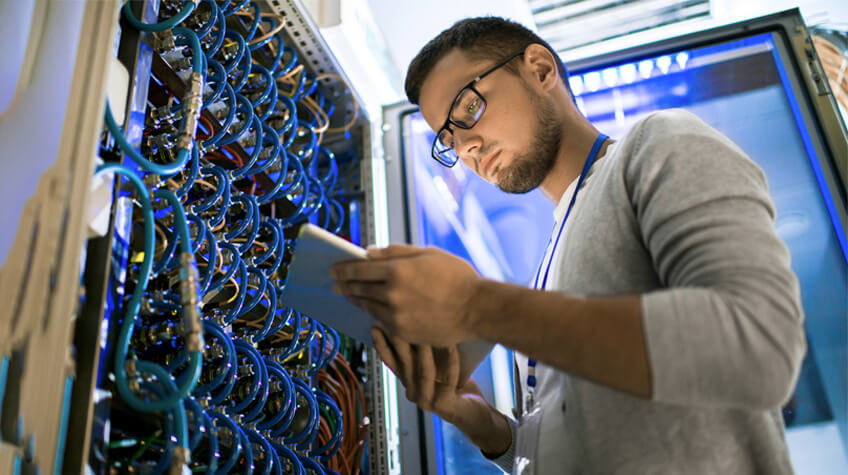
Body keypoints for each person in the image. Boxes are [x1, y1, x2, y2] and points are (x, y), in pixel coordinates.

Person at [329, 16, 806, 474]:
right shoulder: (547, 265)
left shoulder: (658, 145)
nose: (466, 147)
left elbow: (757, 345)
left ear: (539, 69)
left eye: (469, 108)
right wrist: (485, 424)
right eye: (447, 140)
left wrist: (477, 305)